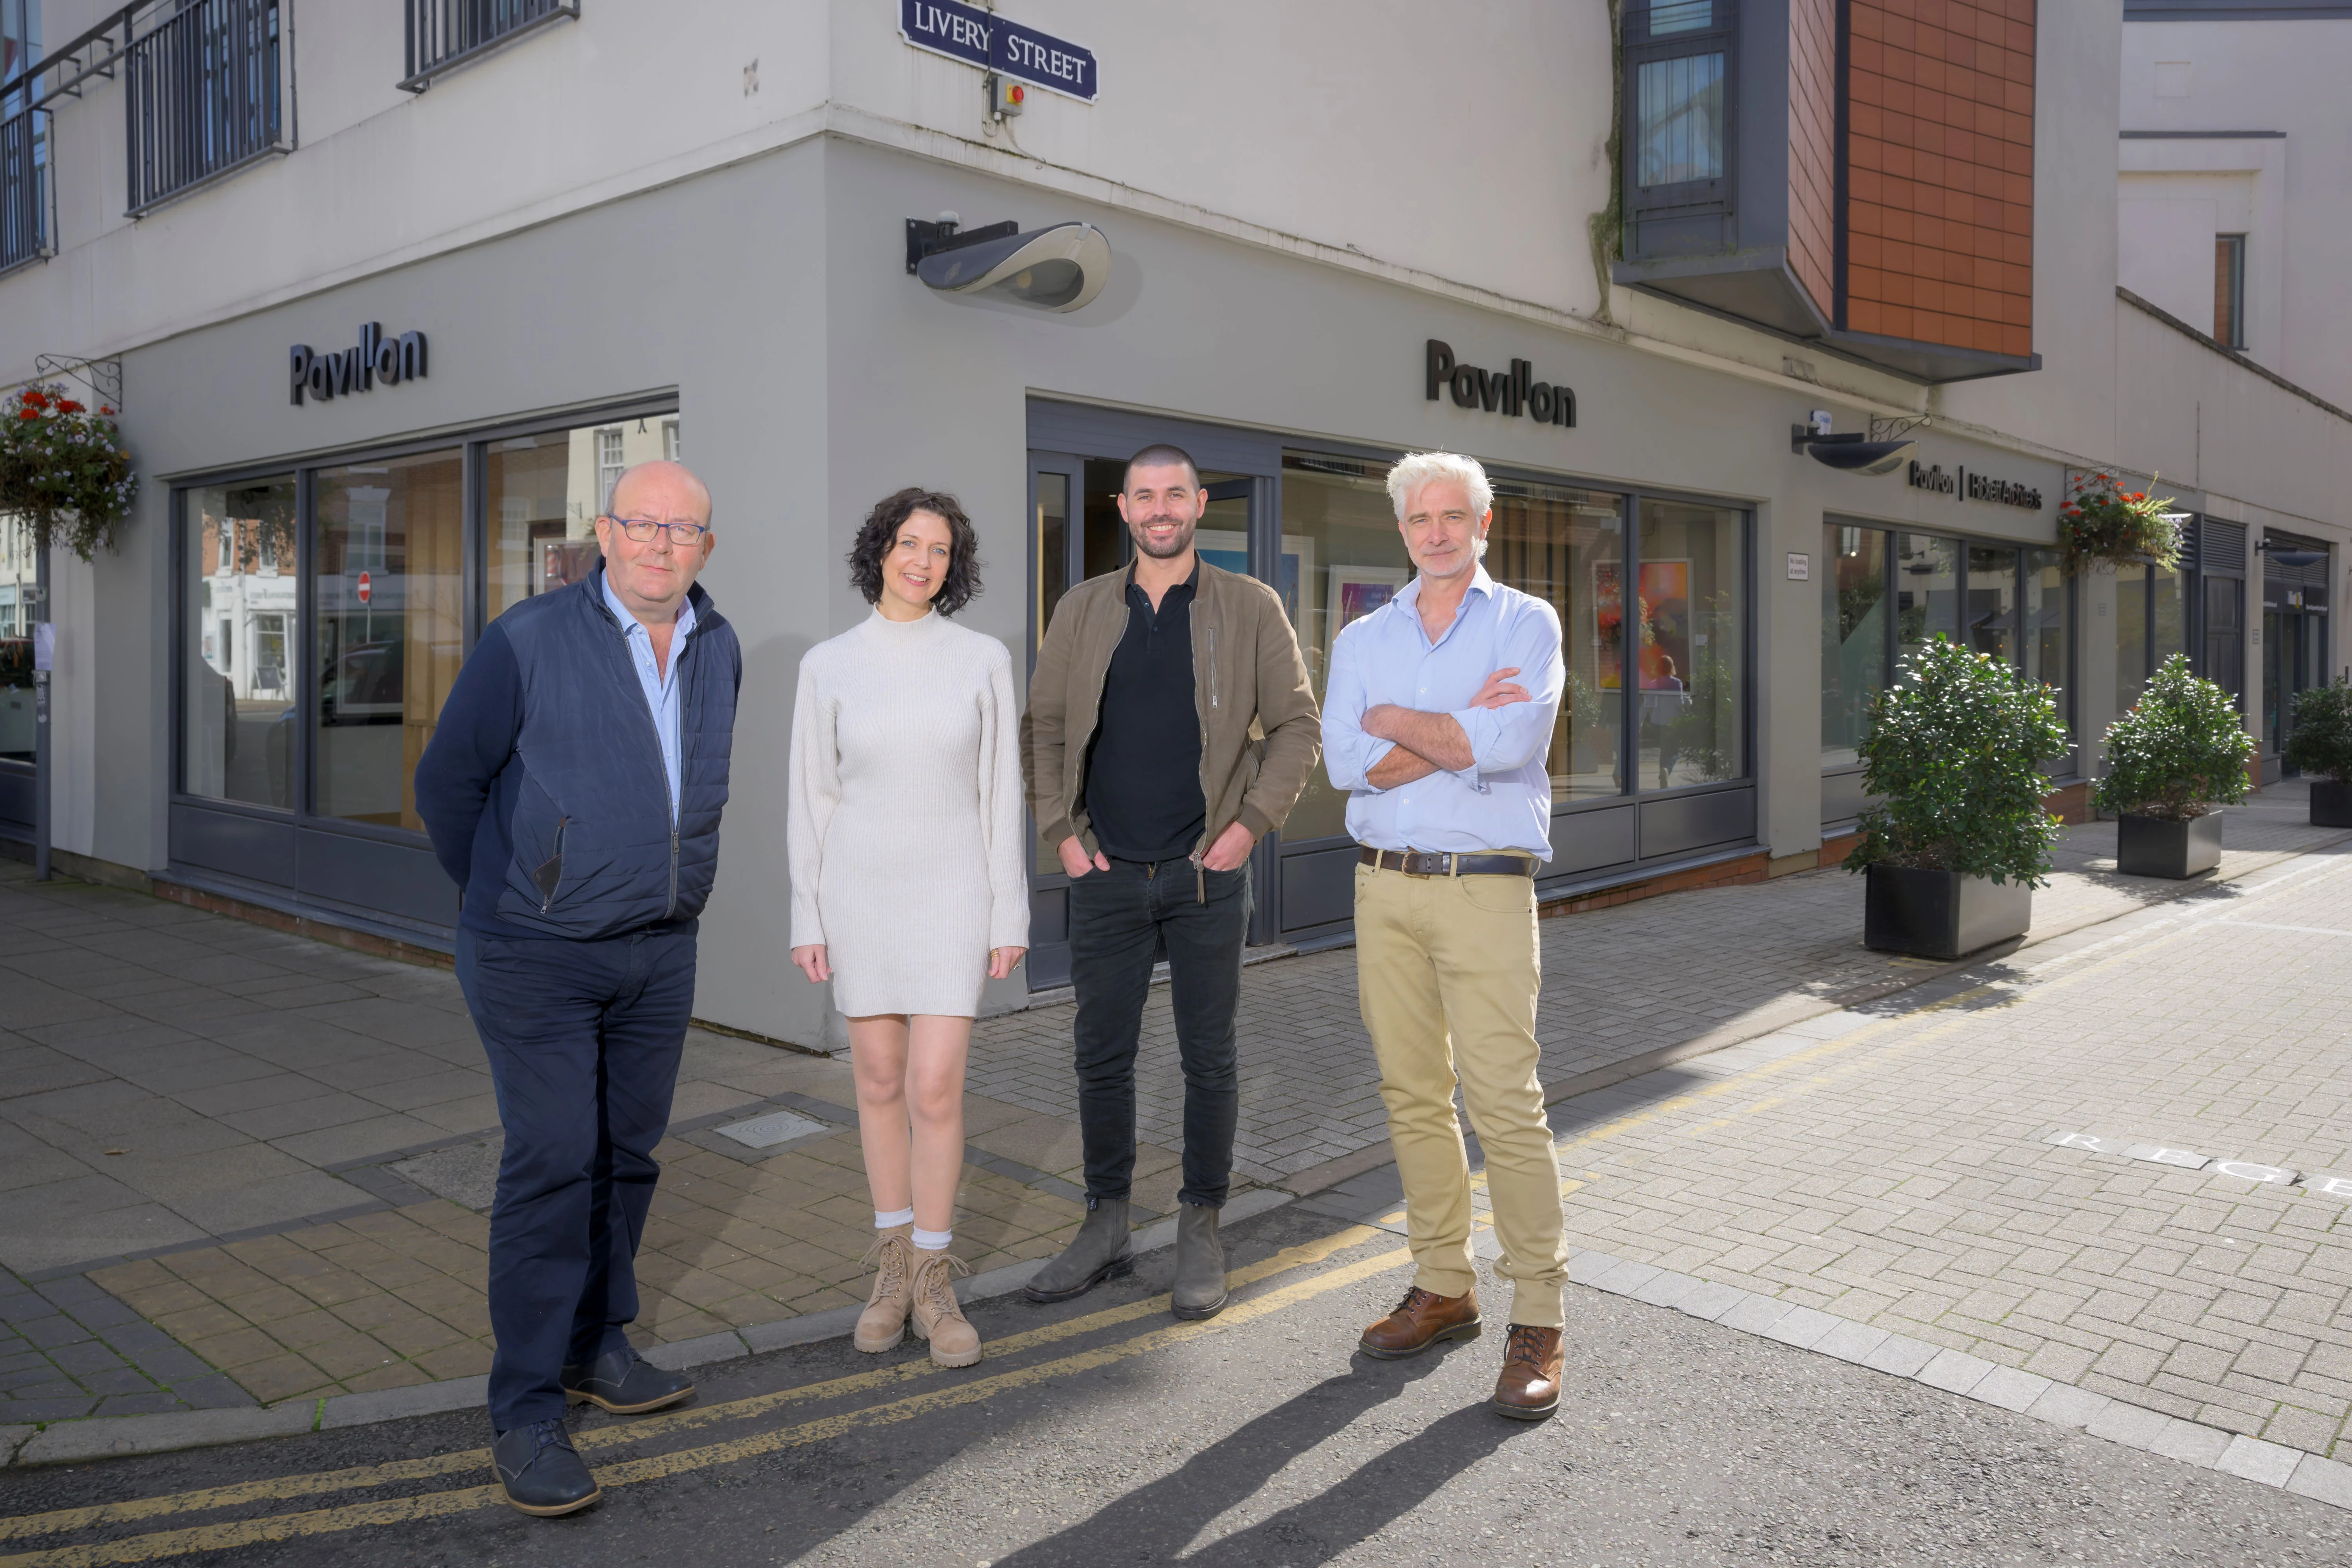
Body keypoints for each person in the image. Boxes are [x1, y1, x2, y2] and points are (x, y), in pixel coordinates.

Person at [415, 459, 741, 1515]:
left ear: (706, 546)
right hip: (534, 949)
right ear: (605, 533)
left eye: (682, 529)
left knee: (628, 1157)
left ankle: (598, 1346)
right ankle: (525, 1407)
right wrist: (521, 892)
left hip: (660, 946)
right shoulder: (529, 638)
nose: (660, 543)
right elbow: (447, 785)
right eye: (641, 524)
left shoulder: (718, 647)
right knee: (555, 1160)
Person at [1020, 444, 1320, 1319]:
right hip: (1105, 871)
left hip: (1203, 875)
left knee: (1209, 1056)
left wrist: (1247, 828)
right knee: (1100, 1056)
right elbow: (1043, 731)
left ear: (1198, 504)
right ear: (1125, 507)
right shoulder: (1080, 609)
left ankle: (1201, 1219)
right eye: (1145, 495)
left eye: (1175, 495)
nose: (1160, 508)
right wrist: (1062, 838)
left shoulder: (1249, 605)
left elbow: (1298, 725)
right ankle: (1105, 1219)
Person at [1320, 450, 1572, 1421]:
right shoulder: (1365, 635)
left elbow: (1509, 746)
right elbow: (1345, 764)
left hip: (1487, 890)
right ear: (1402, 529)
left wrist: (1398, 724)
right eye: (1419, 517)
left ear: (1483, 523)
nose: (1435, 531)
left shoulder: (1526, 621)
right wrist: (1450, 731)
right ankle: (1444, 1283)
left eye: (1452, 516)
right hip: (1385, 890)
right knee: (1412, 1092)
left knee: (1506, 1101)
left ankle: (1539, 1315)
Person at [788, 488, 1028, 1369]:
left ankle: (935, 1275)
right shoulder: (829, 664)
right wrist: (805, 913)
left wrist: (1010, 910)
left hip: (952, 892)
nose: (921, 560)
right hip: (859, 892)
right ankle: (890, 1269)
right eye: (908, 543)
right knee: (879, 1080)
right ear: (879, 550)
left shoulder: (981, 659)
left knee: (935, 1087)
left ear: (953, 565)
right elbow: (812, 798)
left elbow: (1001, 792)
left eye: (939, 549)